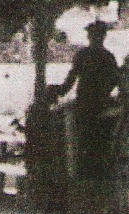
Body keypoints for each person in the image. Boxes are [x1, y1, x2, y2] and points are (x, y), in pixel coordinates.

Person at [51, 20, 120, 179]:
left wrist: (57, 91)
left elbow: (70, 80)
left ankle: (78, 170)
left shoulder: (84, 55)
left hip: (85, 103)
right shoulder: (107, 56)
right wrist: (106, 92)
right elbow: (116, 79)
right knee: (101, 138)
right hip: (101, 103)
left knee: (80, 137)